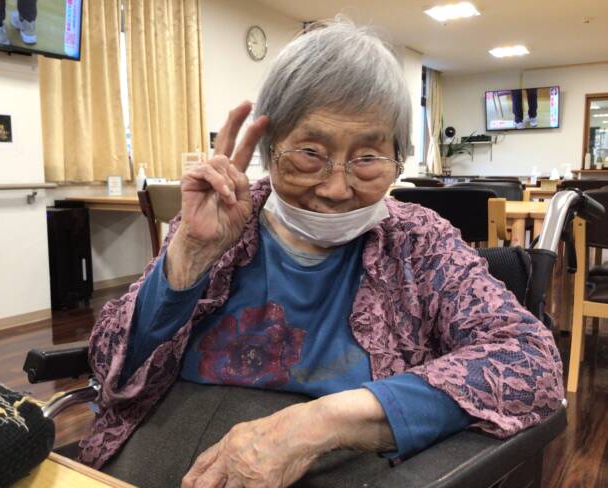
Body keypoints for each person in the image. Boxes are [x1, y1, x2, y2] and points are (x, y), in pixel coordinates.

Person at [80, 20, 564, 487]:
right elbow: (109, 365)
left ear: (398, 158)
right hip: (165, 445)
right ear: (270, 149)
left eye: (367, 158)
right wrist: (190, 254)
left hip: (341, 461)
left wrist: (321, 423)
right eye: (310, 153)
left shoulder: (420, 242)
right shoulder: (224, 215)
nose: (336, 189)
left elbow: (532, 361)